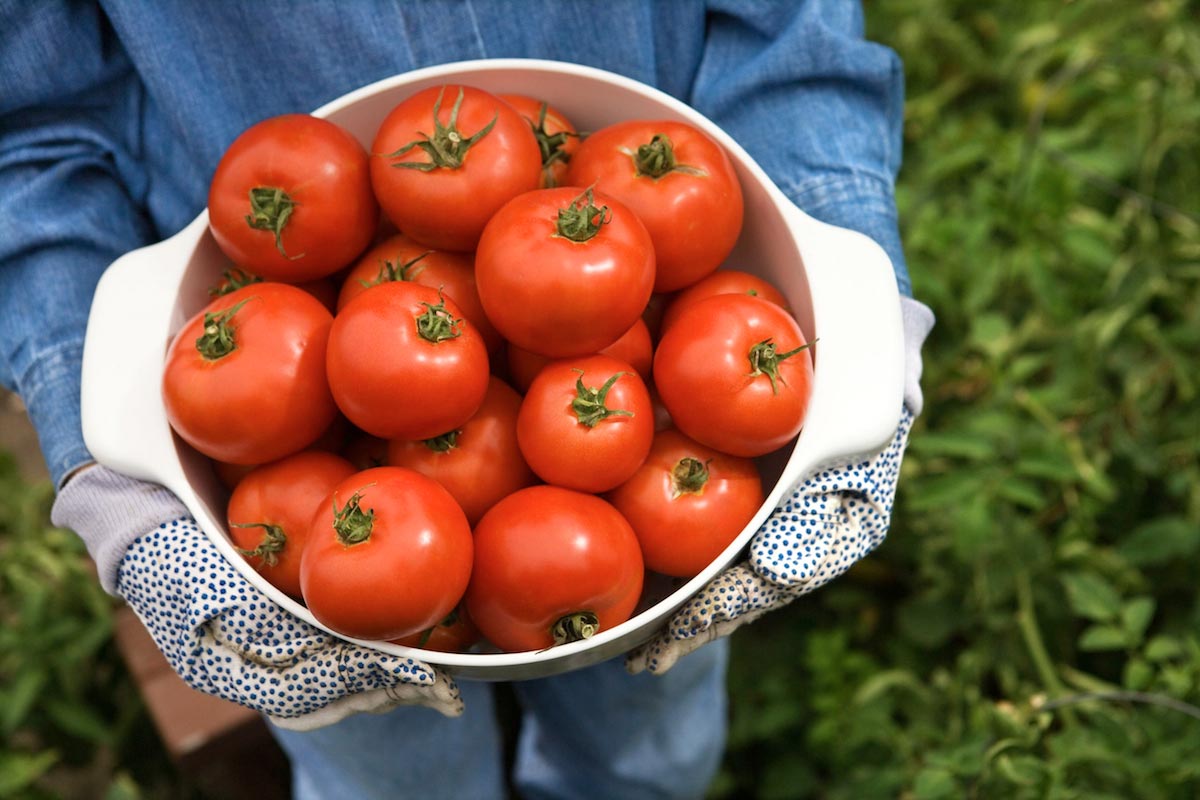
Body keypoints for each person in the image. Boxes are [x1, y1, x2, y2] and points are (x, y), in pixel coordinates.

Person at [0, 1, 934, 798]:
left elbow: (786, 24)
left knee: (647, 741)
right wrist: (105, 446)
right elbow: (26, 129)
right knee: (386, 773)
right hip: (249, 303)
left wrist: (844, 270)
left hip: (643, 325)